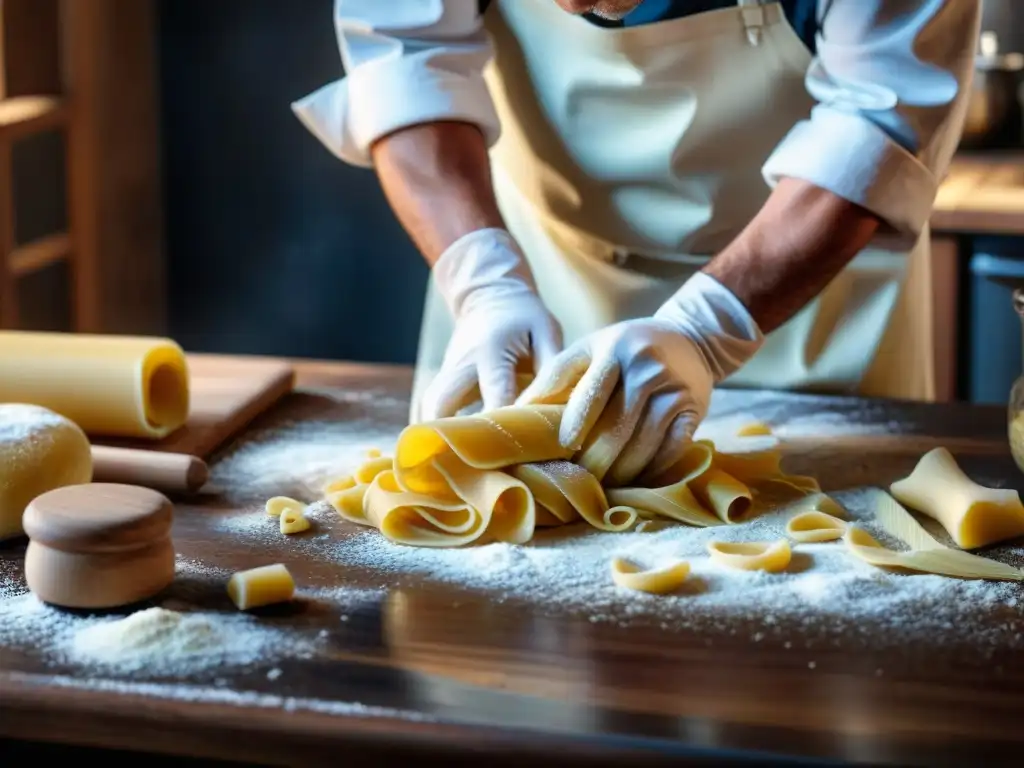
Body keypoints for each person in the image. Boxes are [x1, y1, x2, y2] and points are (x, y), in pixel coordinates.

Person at [293, 0, 980, 485]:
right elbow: (406, 58)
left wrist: (706, 329)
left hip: (818, 305)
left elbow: (879, 124)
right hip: (544, 272)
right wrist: (483, 281)